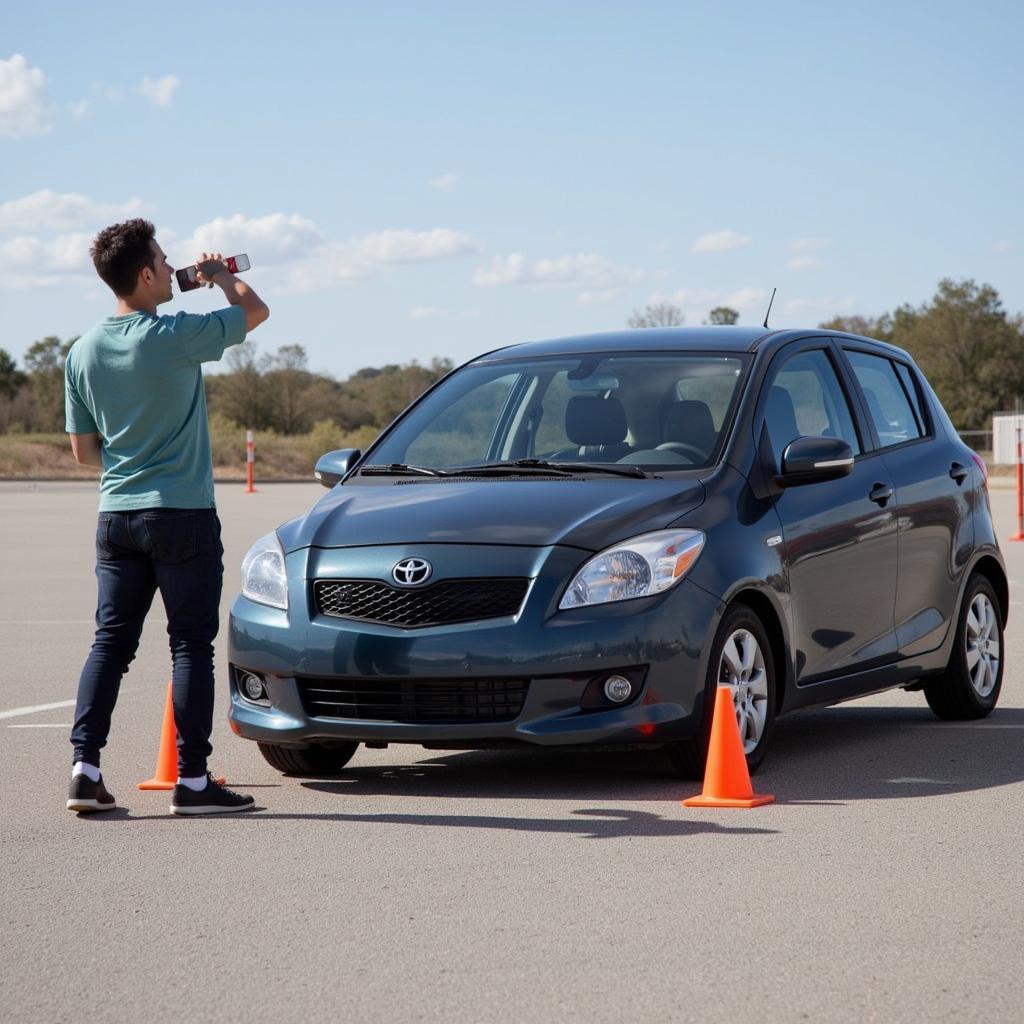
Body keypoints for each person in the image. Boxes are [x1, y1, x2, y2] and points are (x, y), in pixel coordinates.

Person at [64, 218, 269, 816]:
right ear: (150, 274)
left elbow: (84, 453)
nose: (170, 264)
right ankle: (195, 782)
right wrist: (222, 277)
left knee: (110, 643)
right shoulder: (177, 334)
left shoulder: (80, 351)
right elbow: (255, 313)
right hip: (181, 514)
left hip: (117, 517)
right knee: (189, 647)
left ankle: (85, 769)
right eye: (163, 257)